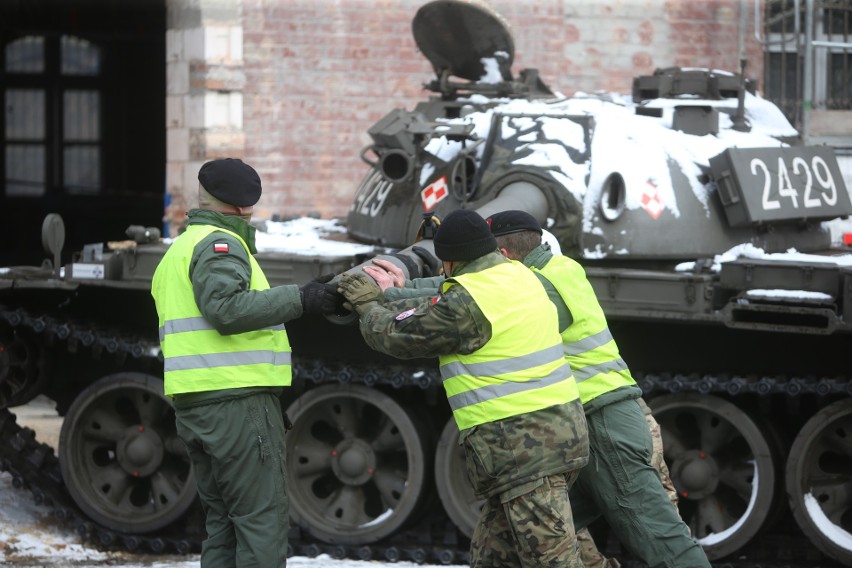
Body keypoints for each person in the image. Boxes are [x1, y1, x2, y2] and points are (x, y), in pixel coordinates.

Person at [365, 211, 704, 568]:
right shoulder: (550, 271)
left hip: (601, 420)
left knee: (662, 540)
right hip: (572, 429)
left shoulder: (536, 281)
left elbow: (468, 304)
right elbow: (464, 293)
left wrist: (395, 294)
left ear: (505, 257)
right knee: (510, 548)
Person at [338, 208, 589, 568]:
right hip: (558, 436)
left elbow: (394, 335)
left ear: (450, 261)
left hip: (525, 454)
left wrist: (366, 304)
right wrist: (395, 292)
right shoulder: (518, 274)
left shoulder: (468, 303)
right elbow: (438, 301)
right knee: (492, 558)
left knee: (554, 563)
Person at [150, 158, 339, 567]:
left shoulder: (178, 249)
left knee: (223, 525)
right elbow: (225, 308)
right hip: (236, 405)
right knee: (261, 524)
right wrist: (301, 299)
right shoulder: (221, 244)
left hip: (195, 405)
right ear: (242, 207)